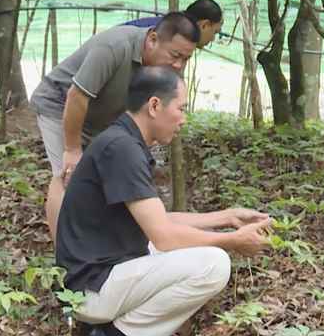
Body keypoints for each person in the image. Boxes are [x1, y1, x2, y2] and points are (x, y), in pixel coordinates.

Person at [56, 66, 271, 336]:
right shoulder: (122, 149)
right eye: (181, 108)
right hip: (92, 287)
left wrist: (227, 218)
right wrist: (234, 240)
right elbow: (164, 237)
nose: (184, 119)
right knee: (214, 263)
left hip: (100, 274)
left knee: (194, 248)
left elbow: (159, 220)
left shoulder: (123, 141)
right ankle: (116, 335)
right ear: (155, 106)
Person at [30, 12, 199, 242]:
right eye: (175, 55)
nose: (178, 65)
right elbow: (77, 95)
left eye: (185, 59)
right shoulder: (114, 47)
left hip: (100, 115)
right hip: (60, 105)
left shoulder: (163, 71)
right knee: (67, 175)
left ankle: (96, 242)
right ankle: (64, 254)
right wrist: (72, 149)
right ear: (152, 40)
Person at [124, 0, 224, 48]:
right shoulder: (170, 37)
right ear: (204, 25)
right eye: (215, 32)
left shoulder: (170, 24)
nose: (212, 39)